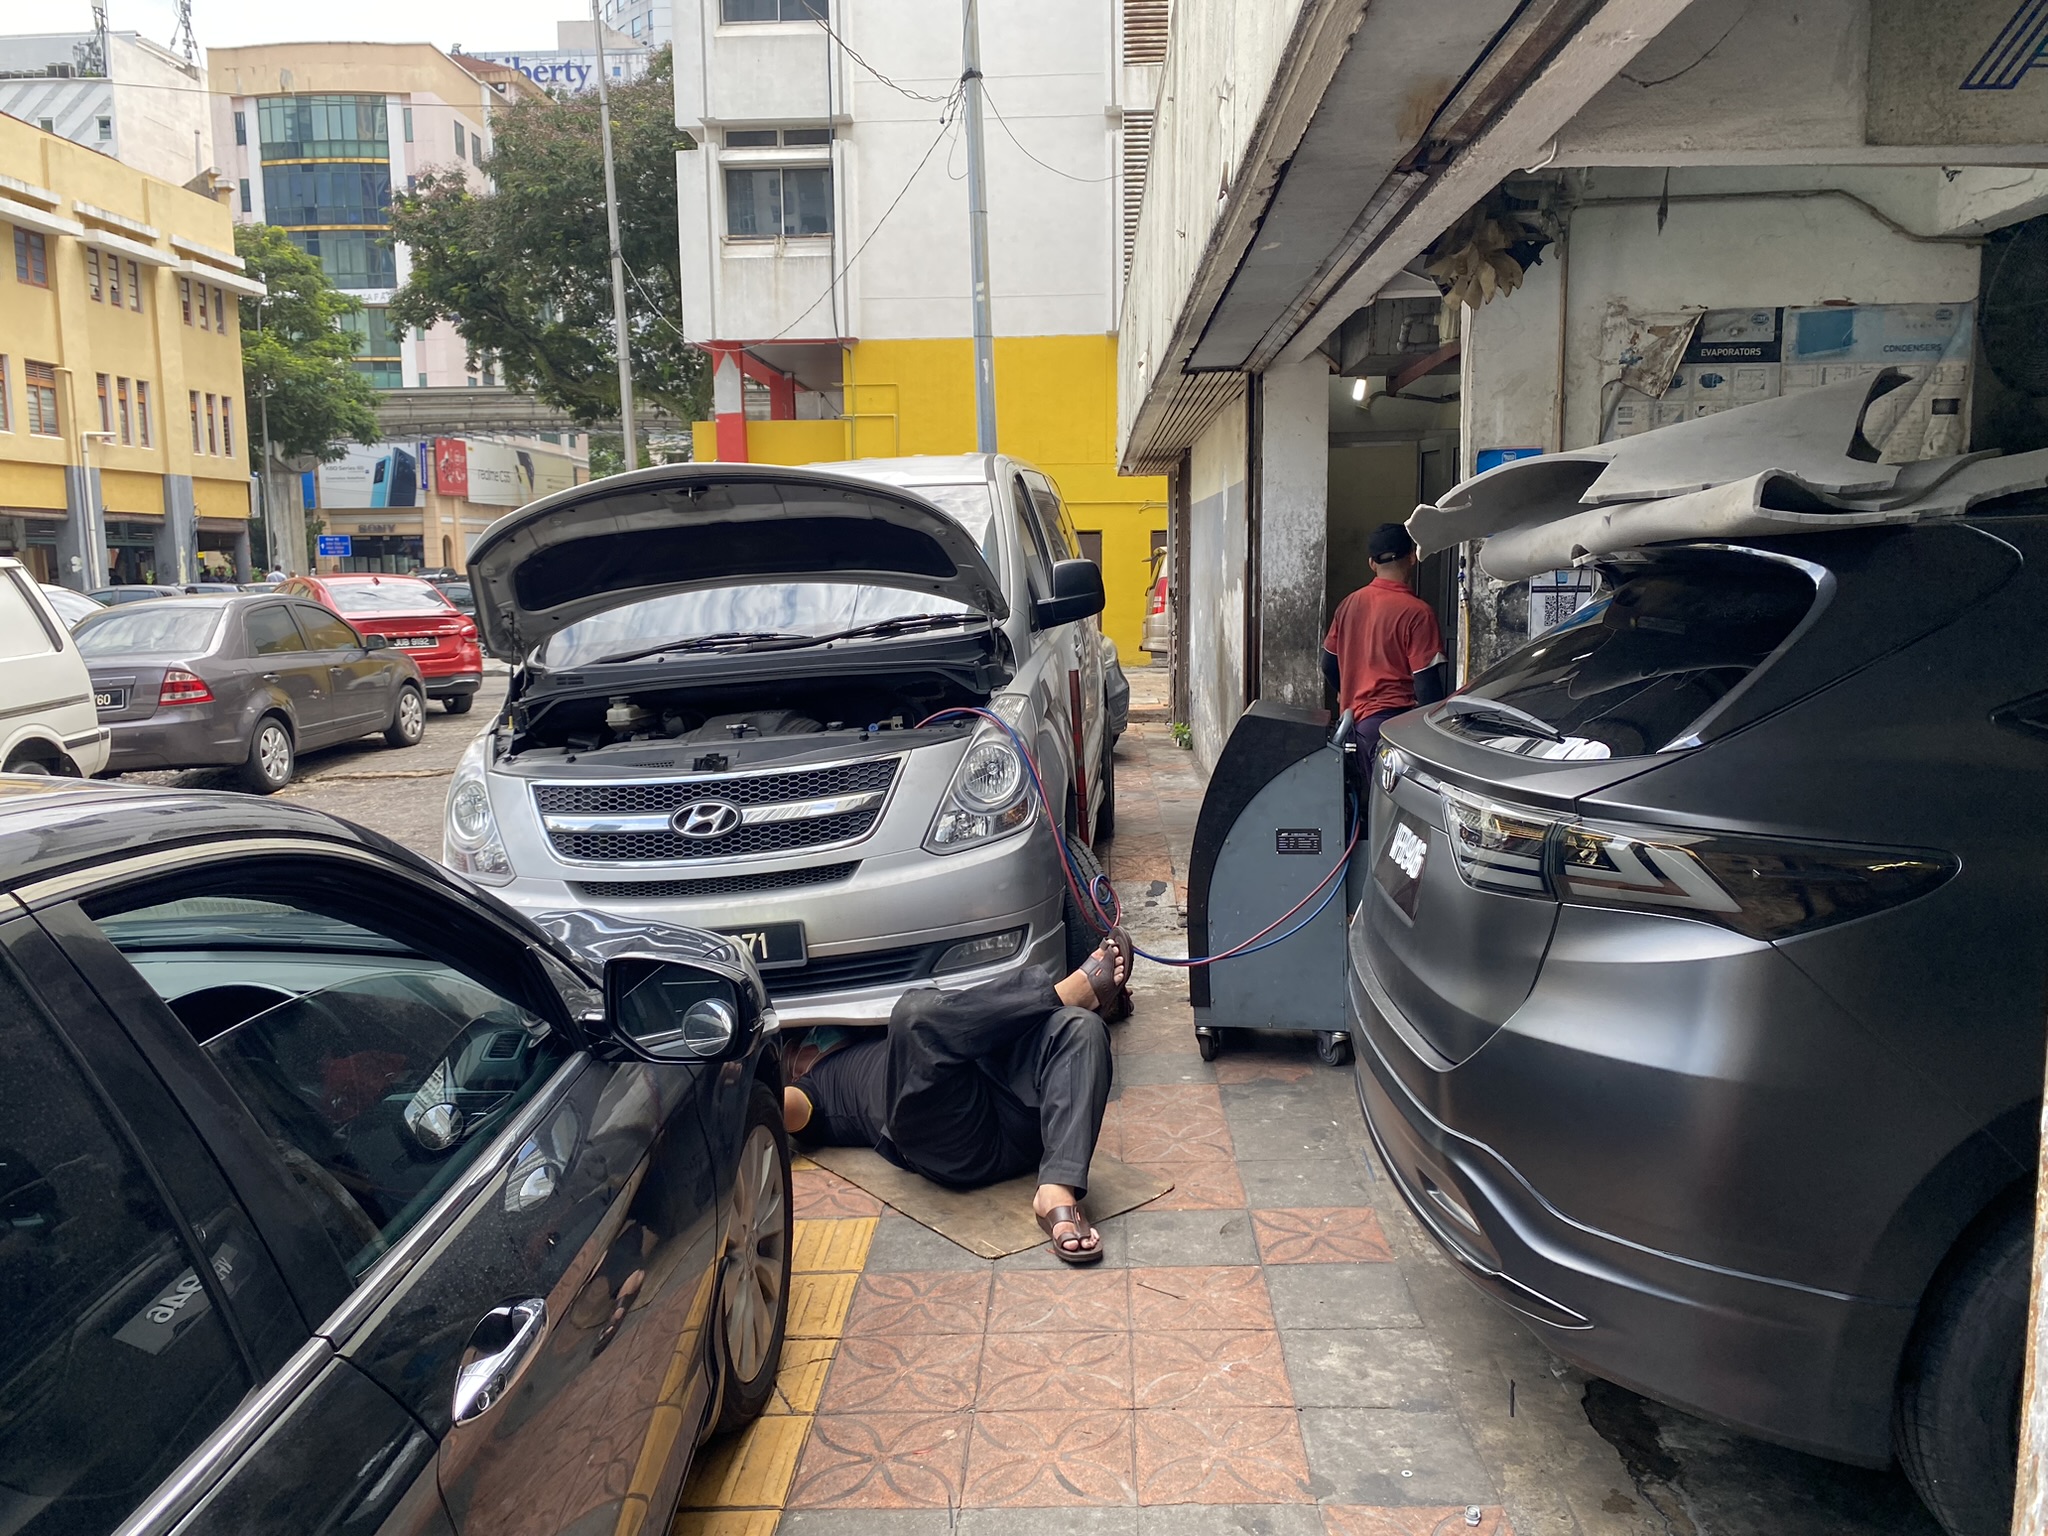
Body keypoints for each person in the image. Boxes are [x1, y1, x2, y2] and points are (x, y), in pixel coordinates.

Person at [783, 930, 1133, 1264]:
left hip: (1021, 1109)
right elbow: (784, 1109)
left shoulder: (872, 1032)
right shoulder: (820, 1084)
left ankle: (1055, 1188)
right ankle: (1059, 995)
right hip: (957, 1140)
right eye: (799, 1045)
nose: (813, 1039)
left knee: (1081, 1029)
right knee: (914, 1015)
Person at [1322, 522, 1448, 761]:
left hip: (1351, 727)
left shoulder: (1348, 604)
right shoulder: (1418, 613)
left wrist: (1346, 690)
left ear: (1372, 563)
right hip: (1391, 731)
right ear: (1412, 557)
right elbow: (1426, 685)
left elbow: (1328, 664)